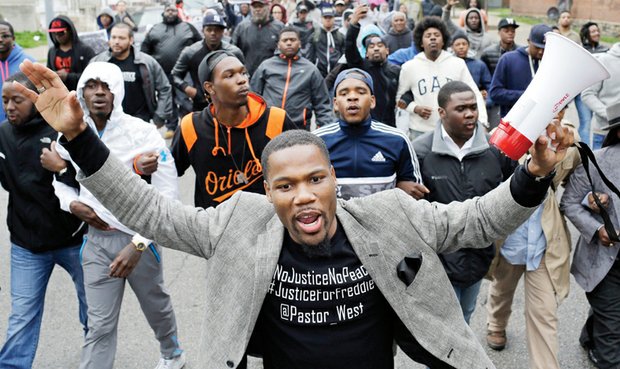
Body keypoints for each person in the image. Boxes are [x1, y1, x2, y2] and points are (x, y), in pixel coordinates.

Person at [17, 58, 573, 369]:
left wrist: (533, 174)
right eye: (285, 185)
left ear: (334, 182)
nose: (303, 195)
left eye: (316, 179)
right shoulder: (239, 224)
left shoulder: (387, 215)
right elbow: (152, 212)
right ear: (269, 192)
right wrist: (80, 141)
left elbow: (475, 221)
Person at [43, 62, 184, 369]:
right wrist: (72, 204)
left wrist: (139, 245)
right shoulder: (69, 134)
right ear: (81, 91)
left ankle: (173, 354)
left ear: (117, 91)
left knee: (155, 307)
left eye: (105, 87)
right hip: (96, 243)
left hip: (139, 241)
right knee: (100, 326)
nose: (98, 93)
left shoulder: (142, 132)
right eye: (91, 86)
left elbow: (167, 194)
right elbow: (62, 181)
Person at [0, 72, 87, 369]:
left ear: (36, 100)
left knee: (95, 310)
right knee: (22, 315)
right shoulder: (2, 134)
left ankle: (96, 357)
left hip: (74, 241)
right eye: (5, 101)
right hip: (26, 244)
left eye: (17, 100)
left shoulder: (62, 131)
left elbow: (92, 183)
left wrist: (63, 168)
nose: (10, 106)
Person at [413, 81, 517, 325]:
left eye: (473, 107)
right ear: (442, 112)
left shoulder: (495, 150)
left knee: (465, 319)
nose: (470, 113)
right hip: (437, 264)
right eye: (461, 109)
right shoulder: (420, 152)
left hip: (479, 259)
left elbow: (518, 188)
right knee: (442, 328)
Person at [486, 105, 581, 369]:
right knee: (501, 291)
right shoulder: (508, 136)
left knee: (544, 315)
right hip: (508, 240)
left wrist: (568, 135)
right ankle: (496, 324)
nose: (553, 116)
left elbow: (581, 162)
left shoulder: (568, 143)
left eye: (559, 112)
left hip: (543, 243)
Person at [171, 51, 298, 208]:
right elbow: (166, 173)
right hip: (215, 229)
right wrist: (142, 167)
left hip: (271, 225)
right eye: (229, 75)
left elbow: (303, 168)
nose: (242, 80)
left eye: (243, 73)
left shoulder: (276, 120)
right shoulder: (190, 127)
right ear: (210, 87)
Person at [561, 102, 620, 369]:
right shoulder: (595, 161)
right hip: (605, 262)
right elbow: (569, 203)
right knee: (613, 336)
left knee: (610, 316)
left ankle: (589, 336)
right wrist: (598, 228)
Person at [315, 68, 426, 200]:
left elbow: (414, 190)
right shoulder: (317, 141)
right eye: (344, 94)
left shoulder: (397, 140)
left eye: (361, 92)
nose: (352, 97)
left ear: (372, 101)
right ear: (335, 104)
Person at [396, 16, 487, 140]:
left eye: (437, 35)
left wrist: (482, 121)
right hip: (420, 131)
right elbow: (399, 99)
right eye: (428, 36)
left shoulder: (457, 64)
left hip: (453, 129)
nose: (433, 38)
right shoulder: (409, 67)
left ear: (443, 41)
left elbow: (474, 92)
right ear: (421, 43)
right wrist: (415, 108)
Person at [90, 23, 173, 128]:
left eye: (121, 38)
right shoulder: (98, 62)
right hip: (109, 122)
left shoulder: (147, 62)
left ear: (131, 40)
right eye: (113, 37)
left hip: (140, 122)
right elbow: (87, 90)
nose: (116, 41)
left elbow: (164, 88)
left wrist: (160, 116)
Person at [251, 27, 333, 129]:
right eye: (285, 40)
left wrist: (326, 129)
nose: (289, 43)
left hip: (299, 127)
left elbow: (322, 104)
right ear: (278, 44)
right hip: (269, 124)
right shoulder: (266, 66)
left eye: (293, 40)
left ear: (299, 43)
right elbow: (253, 97)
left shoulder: (310, 69)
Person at [141, 3, 202, 137]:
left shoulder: (188, 27)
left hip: (184, 73)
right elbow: (144, 50)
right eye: (168, 10)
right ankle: (171, 127)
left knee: (185, 99)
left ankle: (189, 125)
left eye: (173, 11)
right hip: (163, 72)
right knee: (170, 100)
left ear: (177, 12)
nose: (170, 13)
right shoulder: (155, 29)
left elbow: (200, 44)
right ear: (163, 13)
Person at [171, 13, 244, 113]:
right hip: (201, 105)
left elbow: (244, 75)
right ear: (203, 31)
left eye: (217, 30)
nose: (213, 33)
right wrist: (188, 89)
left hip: (229, 104)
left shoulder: (234, 52)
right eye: (209, 29)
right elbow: (175, 75)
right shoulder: (190, 52)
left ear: (223, 32)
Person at [344, 5, 401, 127]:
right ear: (366, 53)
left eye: (380, 45)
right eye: (371, 46)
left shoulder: (397, 71)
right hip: (366, 126)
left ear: (387, 50)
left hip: (390, 126)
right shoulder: (361, 68)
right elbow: (349, 46)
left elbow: (406, 91)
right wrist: (354, 24)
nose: (376, 48)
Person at [489, 24, 552, 119]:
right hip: (512, 122)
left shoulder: (551, 63)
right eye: (537, 47)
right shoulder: (508, 59)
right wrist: (526, 96)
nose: (540, 52)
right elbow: (495, 93)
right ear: (528, 41)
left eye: (544, 48)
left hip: (542, 121)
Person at [581, 42, 620, 150]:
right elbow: (587, 94)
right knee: (598, 167)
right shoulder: (604, 61)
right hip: (604, 133)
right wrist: (610, 115)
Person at [576, 21, 609, 146]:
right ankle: (586, 152)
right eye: (593, 31)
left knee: (599, 124)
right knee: (586, 122)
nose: (597, 33)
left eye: (597, 30)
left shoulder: (605, 50)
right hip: (584, 92)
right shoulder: (581, 51)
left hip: (600, 92)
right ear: (587, 34)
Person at [232, 0, 285, 76]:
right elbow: (233, 51)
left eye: (260, 6)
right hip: (248, 77)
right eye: (255, 7)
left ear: (268, 7)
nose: (257, 9)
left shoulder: (279, 27)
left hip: (272, 76)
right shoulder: (242, 27)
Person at [46, 16, 95, 92]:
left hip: (80, 94)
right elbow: (48, 71)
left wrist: (68, 77)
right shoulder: (52, 52)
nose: (57, 36)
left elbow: (93, 76)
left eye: (61, 32)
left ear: (70, 31)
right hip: (60, 95)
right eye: (54, 33)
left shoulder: (85, 50)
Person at [0, 20, 35, 123]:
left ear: (13, 38)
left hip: (24, 127)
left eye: (5, 36)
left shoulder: (28, 63)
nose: (0, 39)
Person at [450, 33, 491, 101]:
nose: (461, 47)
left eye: (464, 44)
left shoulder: (479, 65)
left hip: (475, 102)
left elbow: (489, 87)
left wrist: (486, 102)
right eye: (457, 44)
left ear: (468, 46)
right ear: (452, 47)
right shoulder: (448, 64)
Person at [306, 7, 345, 78]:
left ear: (334, 18)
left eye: (330, 17)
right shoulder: (315, 36)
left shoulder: (340, 36)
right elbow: (309, 56)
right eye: (325, 17)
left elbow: (343, 56)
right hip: (319, 74)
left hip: (336, 74)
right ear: (321, 19)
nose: (328, 19)